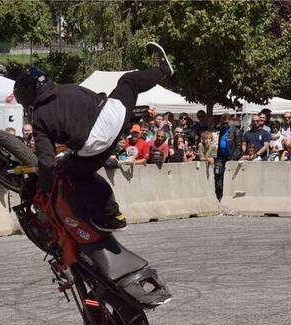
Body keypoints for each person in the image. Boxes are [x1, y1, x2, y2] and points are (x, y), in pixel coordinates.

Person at [13, 42, 173, 231]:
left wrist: (45, 186)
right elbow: (97, 98)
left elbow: (47, 162)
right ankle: (162, 70)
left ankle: (114, 216)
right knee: (129, 82)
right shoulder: (70, 87)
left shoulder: (39, 117)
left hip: (94, 144)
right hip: (113, 117)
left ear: (26, 97)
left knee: (78, 175)